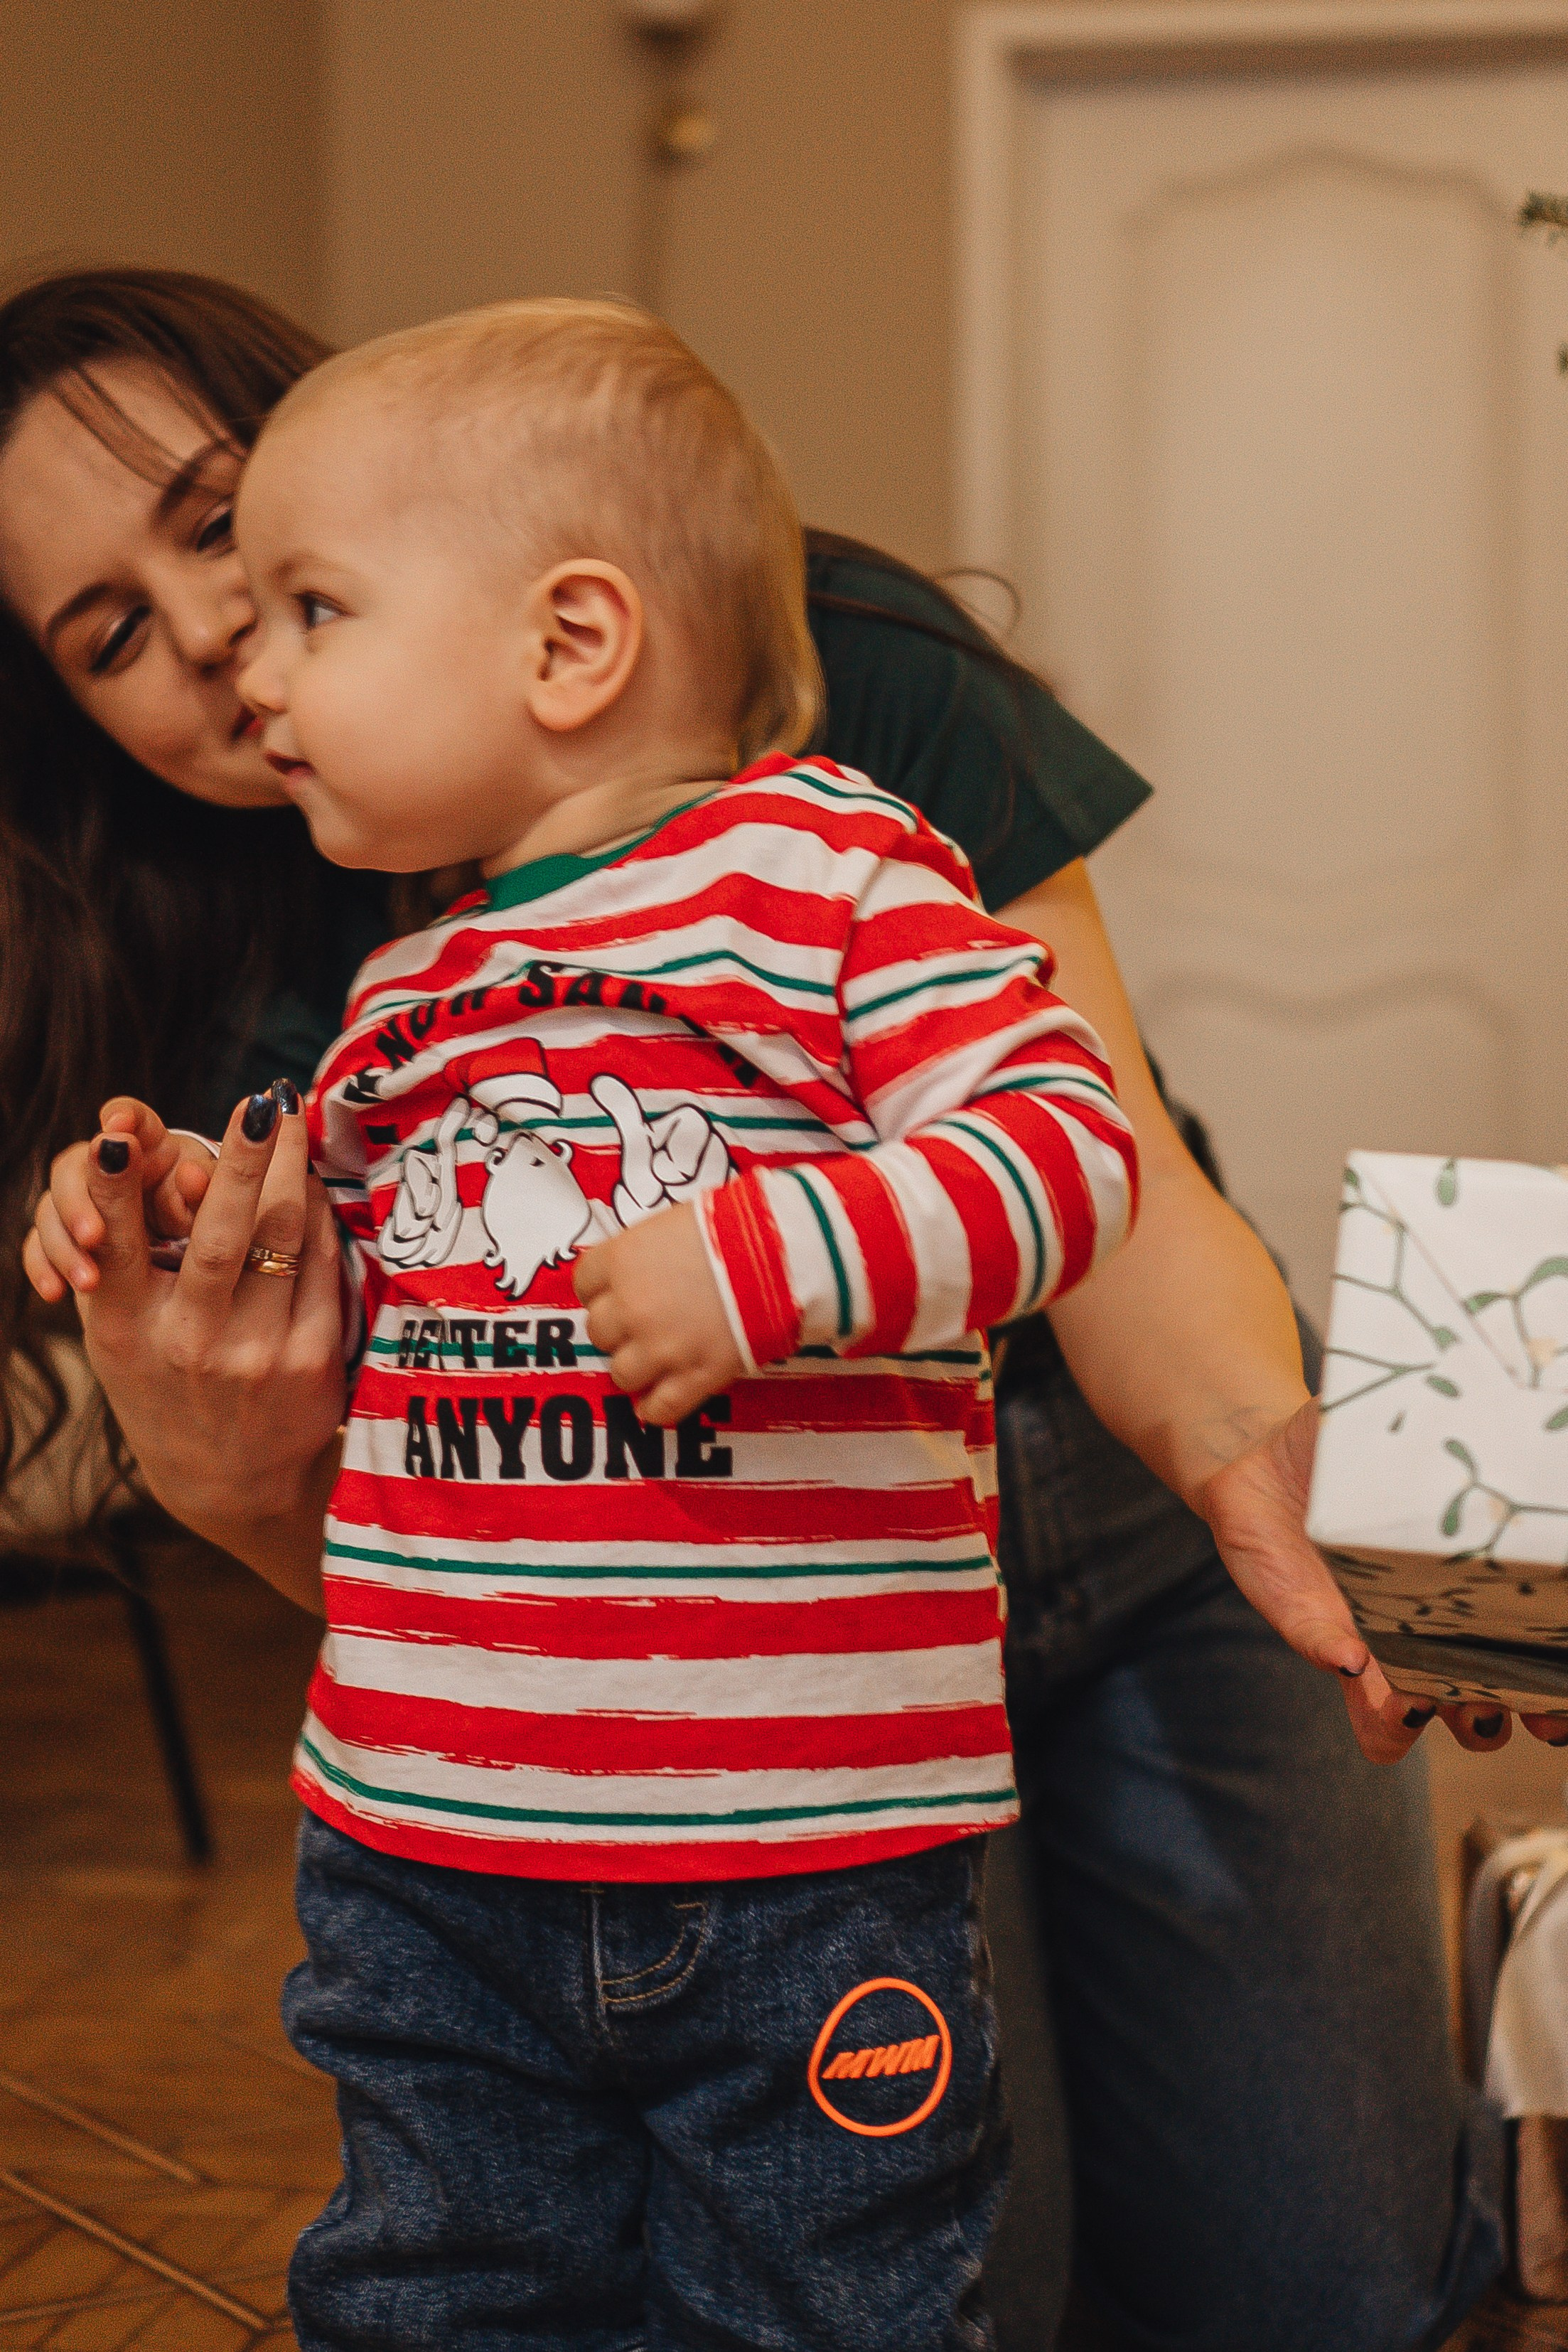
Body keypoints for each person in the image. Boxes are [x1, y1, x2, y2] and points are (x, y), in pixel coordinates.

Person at [1, 268, 1521, 2351]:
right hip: (729, 1703)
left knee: (1323, 2293)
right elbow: (422, 1494)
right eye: (109, 635)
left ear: (571, 628)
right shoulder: (361, 983)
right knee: (959, 2276)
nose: (216, 645)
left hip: (1083, 1494)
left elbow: (1090, 1162)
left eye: (246, 550)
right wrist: (209, 1416)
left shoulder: (809, 741)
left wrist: (1250, 1447)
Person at [82, 294, 1142, 2347]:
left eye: (315, 610)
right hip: (423, 1845)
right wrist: (212, 1220)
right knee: (432, 2293)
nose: (252, 669)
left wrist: (775, 1260)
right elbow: (382, 1296)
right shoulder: (407, 993)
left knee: (821, 2304)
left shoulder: (838, 877)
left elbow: (1064, 1152)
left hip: (798, 1860)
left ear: (571, 642)